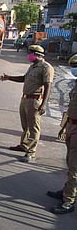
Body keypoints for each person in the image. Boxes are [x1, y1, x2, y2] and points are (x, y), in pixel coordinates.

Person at [0, 45, 54, 163]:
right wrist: (8, 78)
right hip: (25, 99)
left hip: (35, 101)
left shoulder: (46, 67)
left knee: (34, 127)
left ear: (36, 54)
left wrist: (44, 104)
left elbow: (48, 86)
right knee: (25, 125)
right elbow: (24, 78)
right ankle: (24, 145)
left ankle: (31, 152)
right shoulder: (32, 66)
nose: (28, 55)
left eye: (30, 53)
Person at [47, 54, 77, 214]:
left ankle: (69, 202)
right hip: (71, 126)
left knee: (74, 168)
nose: (74, 70)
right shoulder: (75, 85)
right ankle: (67, 192)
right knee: (69, 162)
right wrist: (64, 126)